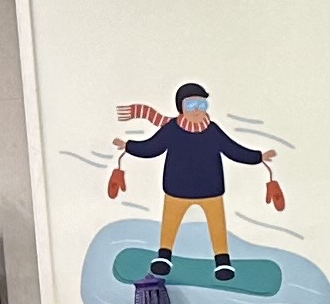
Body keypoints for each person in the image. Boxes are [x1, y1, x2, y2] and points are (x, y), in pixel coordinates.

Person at [109, 81, 284, 281]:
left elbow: (233, 149)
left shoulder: (213, 130)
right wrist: (129, 146)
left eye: (202, 105)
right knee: (170, 224)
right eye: (191, 105)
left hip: (211, 190)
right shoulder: (172, 129)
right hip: (177, 189)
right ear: (181, 107)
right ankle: (164, 256)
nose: (197, 110)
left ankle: (222, 261)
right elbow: (152, 147)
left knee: (217, 226)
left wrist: (258, 157)